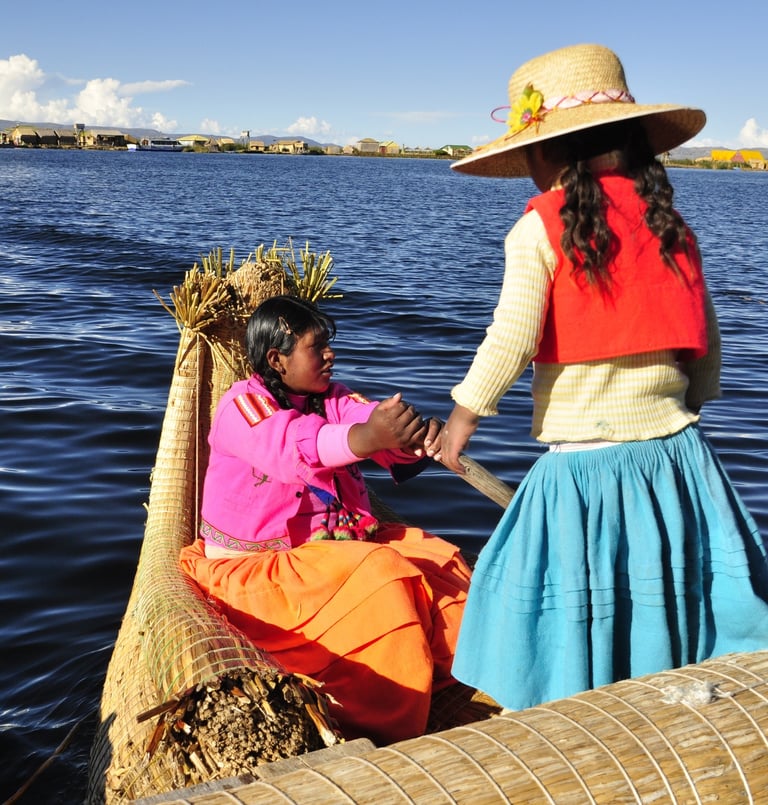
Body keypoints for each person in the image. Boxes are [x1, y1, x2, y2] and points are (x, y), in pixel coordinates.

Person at [433, 43, 768, 711]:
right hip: (678, 461)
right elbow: (706, 344)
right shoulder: (673, 226)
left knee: (528, 598)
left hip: (587, 471)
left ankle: (580, 722)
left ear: (548, 155)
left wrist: (461, 420)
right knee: (667, 601)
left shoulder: (537, 231)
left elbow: (512, 336)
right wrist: (689, 407)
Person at [179, 294, 471, 745]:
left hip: (330, 553)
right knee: (385, 574)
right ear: (277, 359)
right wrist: (367, 436)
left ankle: (458, 673)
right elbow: (293, 446)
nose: (331, 354)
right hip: (259, 573)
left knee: (440, 561)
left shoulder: (329, 398)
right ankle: (382, 724)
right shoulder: (244, 406)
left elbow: (363, 418)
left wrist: (407, 434)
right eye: (318, 348)